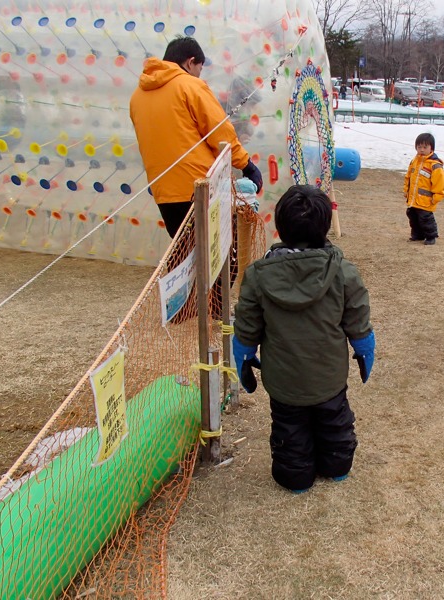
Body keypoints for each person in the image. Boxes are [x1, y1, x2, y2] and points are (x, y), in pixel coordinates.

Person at [232, 185, 374, 493]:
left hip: (284, 380)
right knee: (334, 422)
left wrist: (242, 353)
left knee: (289, 429)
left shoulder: (258, 275)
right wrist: (364, 346)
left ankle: (295, 477)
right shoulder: (343, 272)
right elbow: (358, 317)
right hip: (328, 375)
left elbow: (247, 324)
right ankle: (337, 467)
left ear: (281, 227)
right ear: (325, 227)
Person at [129, 36, 262, 240]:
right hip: (199, 190)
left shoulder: (137, 96)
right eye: (199, 68)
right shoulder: (190, 86)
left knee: (185, 258)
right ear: (190, 62)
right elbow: (220, 134)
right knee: (220, 259)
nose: (199, 74)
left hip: (163, 193)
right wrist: (246, 165)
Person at [403, 133, 444, 245]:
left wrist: (436, 197)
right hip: (413, 199)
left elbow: (439, 183)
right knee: (412, 216)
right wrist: (406, 191)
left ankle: (431, 236)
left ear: (431, 148)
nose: (421, 150)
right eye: (419, 147)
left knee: (426, 219)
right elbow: (408, 177)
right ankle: (417, 235)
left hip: (426, 200)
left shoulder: (435, 165)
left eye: (425, 147)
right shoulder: (414, 161)